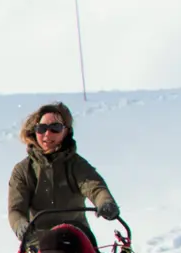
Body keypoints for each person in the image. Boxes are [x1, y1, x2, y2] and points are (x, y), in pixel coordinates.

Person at [7, 102, 118, 243]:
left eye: (55, 128)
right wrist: (21, 226)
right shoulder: (23, 170)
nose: (47, 134)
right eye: (42, 128)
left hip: (76, 238)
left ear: (66, 131)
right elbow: (16, 209)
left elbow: (94, 187)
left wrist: (105, 202)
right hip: (39, 241)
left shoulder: (77, 165)